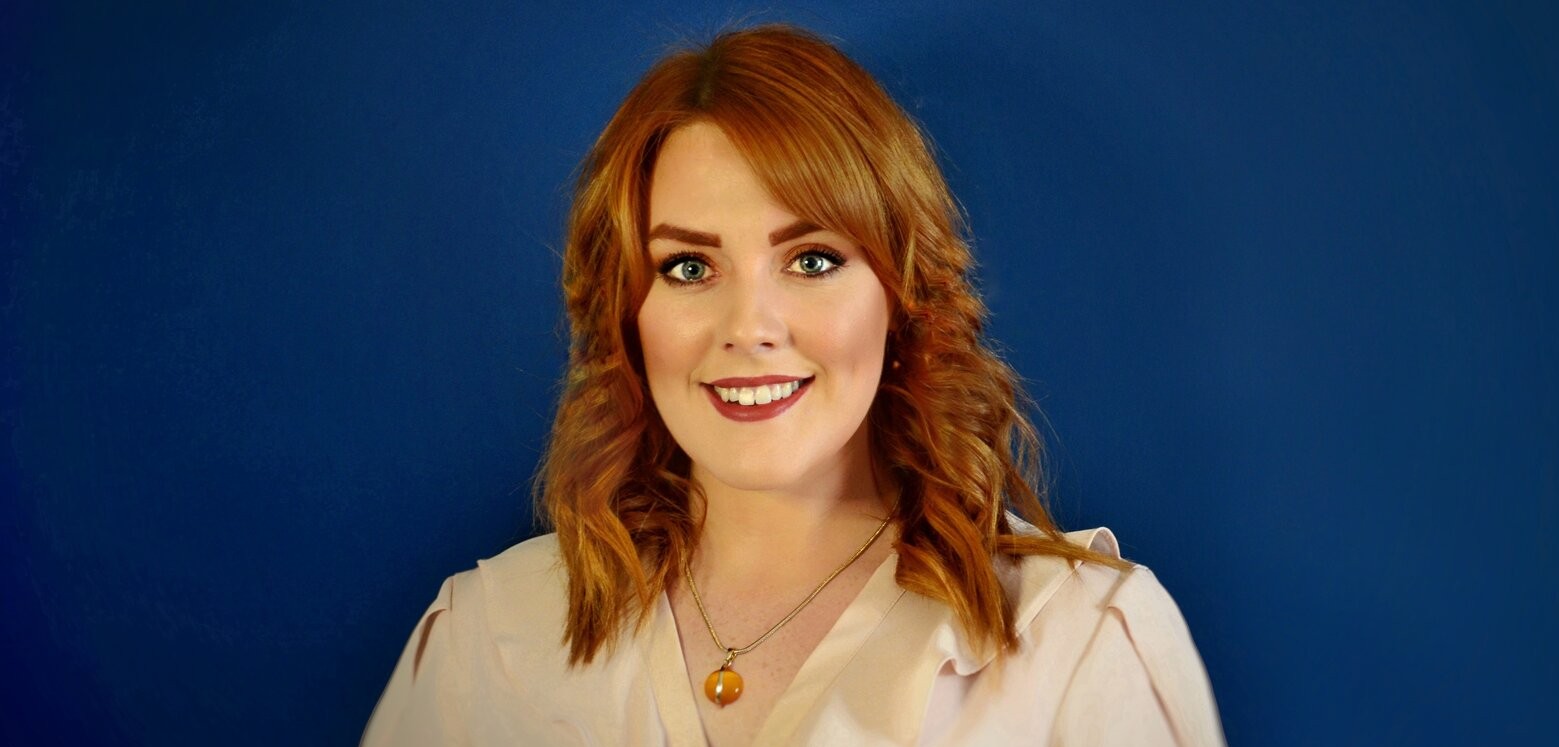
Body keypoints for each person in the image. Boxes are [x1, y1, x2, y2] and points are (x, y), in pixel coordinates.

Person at [363, 24, 1226, 746]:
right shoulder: (486, 640)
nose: (749, 326)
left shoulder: (1081, 643)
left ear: (902, 296)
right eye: (689, 266)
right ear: (626, 315)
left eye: (812, 260)